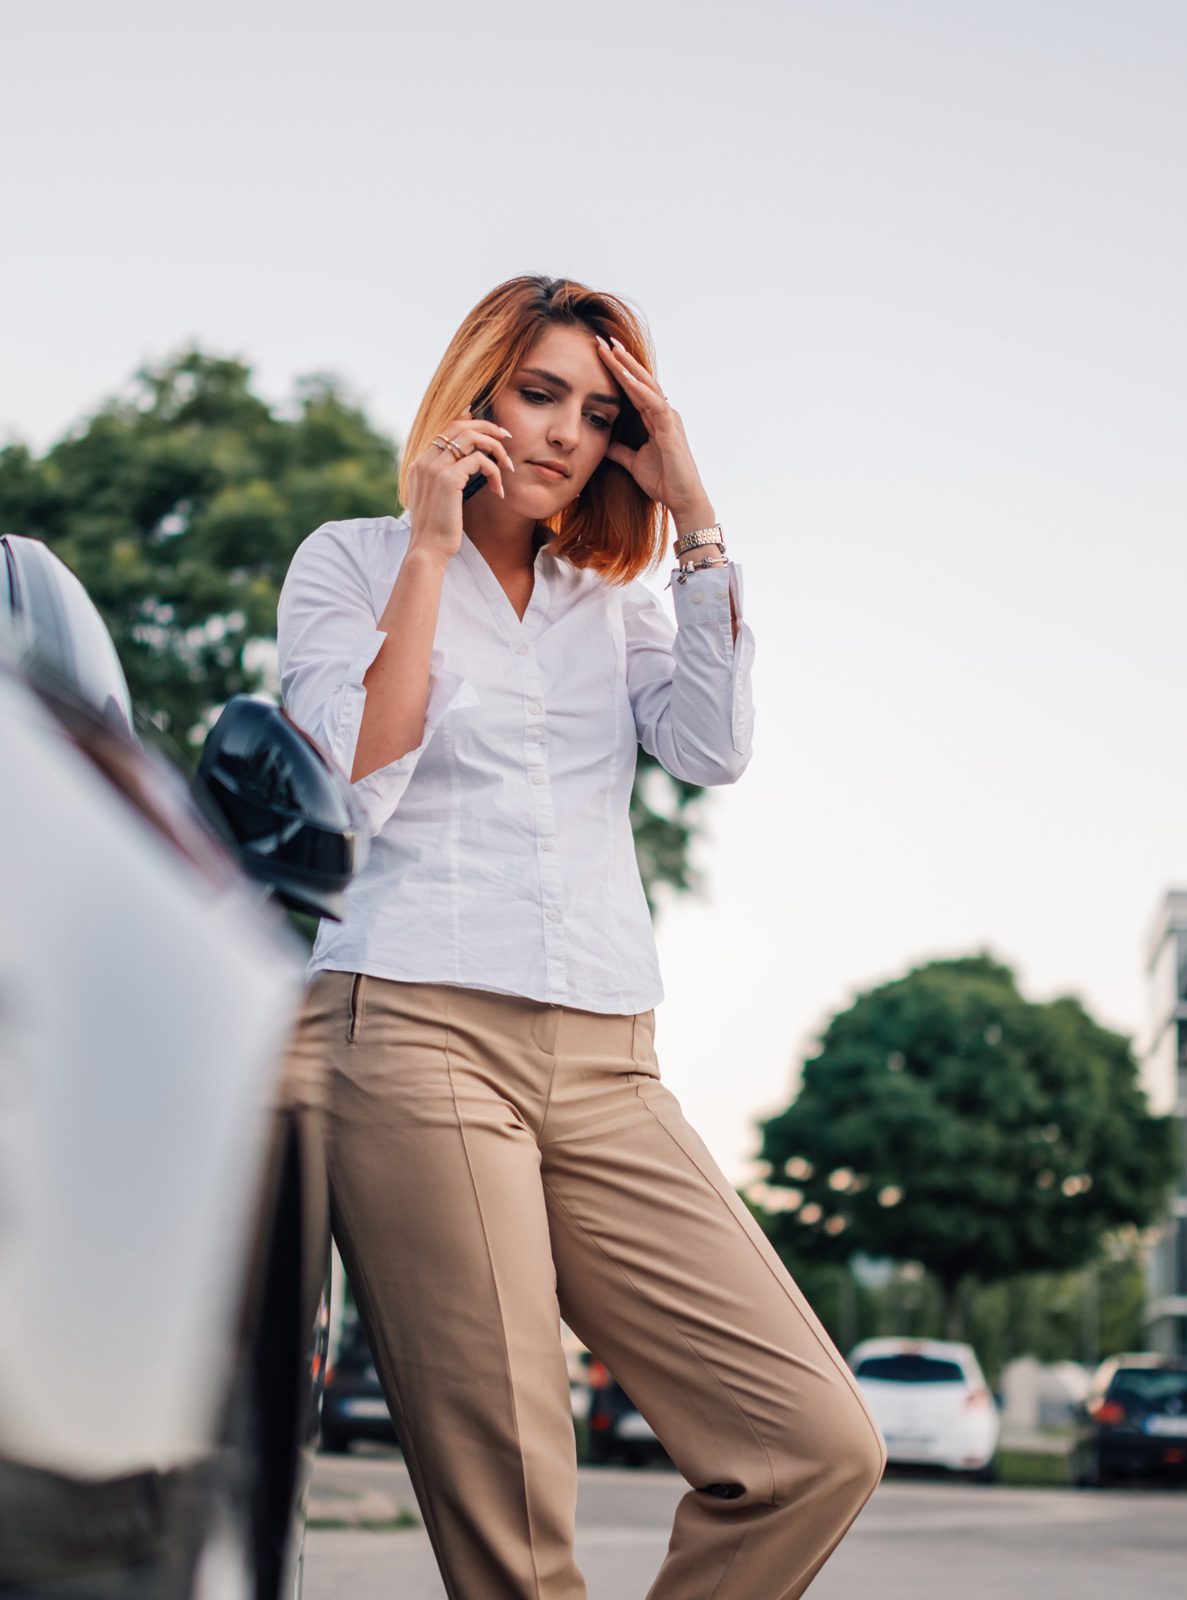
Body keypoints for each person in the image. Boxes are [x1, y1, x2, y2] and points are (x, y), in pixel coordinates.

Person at [277, 276, 882, 1600]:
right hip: (414, 1025)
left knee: (814, 1447)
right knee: (522, 1516)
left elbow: (714, 749)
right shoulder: (352, 561)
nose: (563, 435)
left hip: (610, 1054)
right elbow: (354, 781)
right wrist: (431, 552)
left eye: (601, 415)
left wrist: (698, 518)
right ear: (477, 392)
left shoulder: (612, 597)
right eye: (540, 393)